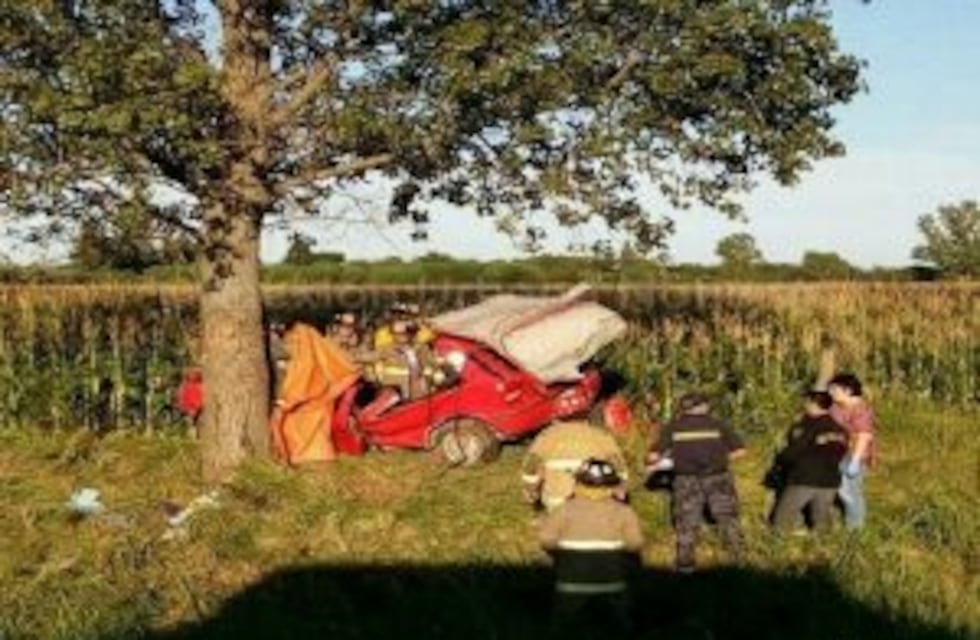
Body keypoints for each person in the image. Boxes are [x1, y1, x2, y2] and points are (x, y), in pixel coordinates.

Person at [539, 458, 644, 632]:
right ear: (612, 486)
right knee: (621, 625)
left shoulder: (563, 510)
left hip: (571, 584)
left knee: (563, 627)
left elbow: (546, 541)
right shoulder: (625, 512)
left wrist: (561, 557)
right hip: (613, 584)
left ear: (578, 484)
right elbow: (635, 545)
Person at [647, 392, 746, 573]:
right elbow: (741, 451)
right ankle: (738, 559)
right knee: (728, 517)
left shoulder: (673, 427)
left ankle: (685, 565)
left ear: (684, 408)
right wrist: (720, 459)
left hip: (686, 480)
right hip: (718, 477)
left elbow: (652, 457)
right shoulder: (718, 425)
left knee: (687, 522)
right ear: (704, 406)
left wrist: (669, 460)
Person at [770, 391, 849, 533]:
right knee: (821, 521)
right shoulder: (840, 430)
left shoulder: (806, 426)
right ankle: (824, 548)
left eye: (806, 402)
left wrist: (781, 459)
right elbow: (843, 452)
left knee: (782, 522)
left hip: (804, 478)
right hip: (830, 481)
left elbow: (794, 451)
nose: (804, 405)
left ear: (813, 404)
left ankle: (782, 548)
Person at [522, 420, 629, 512]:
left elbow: (531, 467)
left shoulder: (547, 436)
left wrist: (531, 491)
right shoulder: (600, 435)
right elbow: (618, 465)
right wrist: (620, 489)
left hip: (558, 498)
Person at [827, 373, 877, 530]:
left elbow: (864, 436)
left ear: (848, 391)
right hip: (837, 452)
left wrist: (855, 461)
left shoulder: (861, 410)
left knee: (850, 491)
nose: (831, 392)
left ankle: (855, 528)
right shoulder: (836, 406)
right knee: (839, 487)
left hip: (855, 454)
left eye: (834, 389)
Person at [371, 320, 443, 400]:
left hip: (425, 392)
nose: (402, 336)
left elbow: (432, 363)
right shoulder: (387, 350)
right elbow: (368, 357)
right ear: (393, 335)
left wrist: (437, 371)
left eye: (404, 332)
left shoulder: (420, 347)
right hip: (403, 396)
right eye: (398, 334)